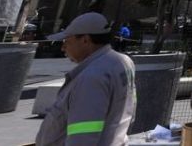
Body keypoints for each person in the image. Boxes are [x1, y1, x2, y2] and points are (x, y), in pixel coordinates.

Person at [35, 12, 135, 146]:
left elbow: (82, 137)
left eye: (67, 40)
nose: (63, 47)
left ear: (85, 40)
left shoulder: (91, 77)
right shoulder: (122, 62)